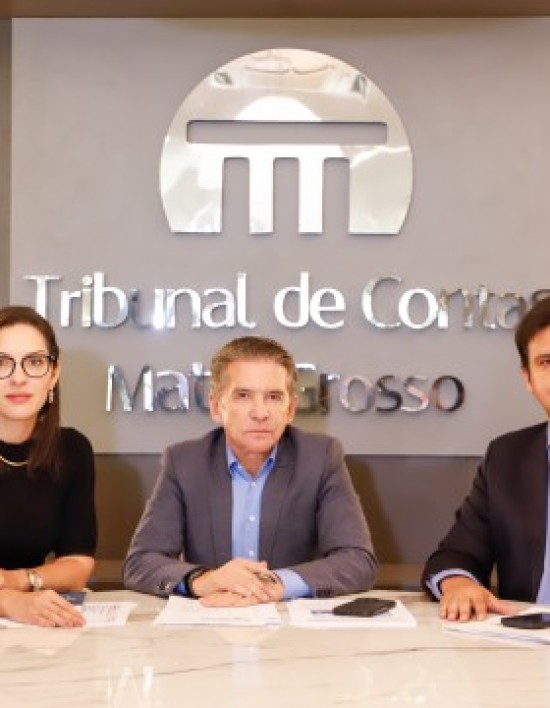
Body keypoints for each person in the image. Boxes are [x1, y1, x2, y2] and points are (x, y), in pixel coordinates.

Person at [124, 335, 377, 605]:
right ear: (216, 407)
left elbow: (357, 560)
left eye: (273, 397)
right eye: (243, 396)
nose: (260, 412)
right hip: (212, 618)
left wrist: (275, 584)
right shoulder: (185, 462)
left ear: (290, 409)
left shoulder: (321, 457)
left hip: (288, 622)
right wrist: (205, 580)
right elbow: (141, 562)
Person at [422, 296, 550, 621]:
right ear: (527, 378)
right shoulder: (507, 457)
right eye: (546, 362)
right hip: (525, 643)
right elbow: (456, 554)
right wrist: (459, 584)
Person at [0, 306, 96, 627]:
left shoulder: (72, 449)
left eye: (34, 362)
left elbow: (78, 564)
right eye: (2, 362)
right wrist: (9, 602)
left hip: (31, 629)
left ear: (53, 374)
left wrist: (18, 580)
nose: (18, 377)